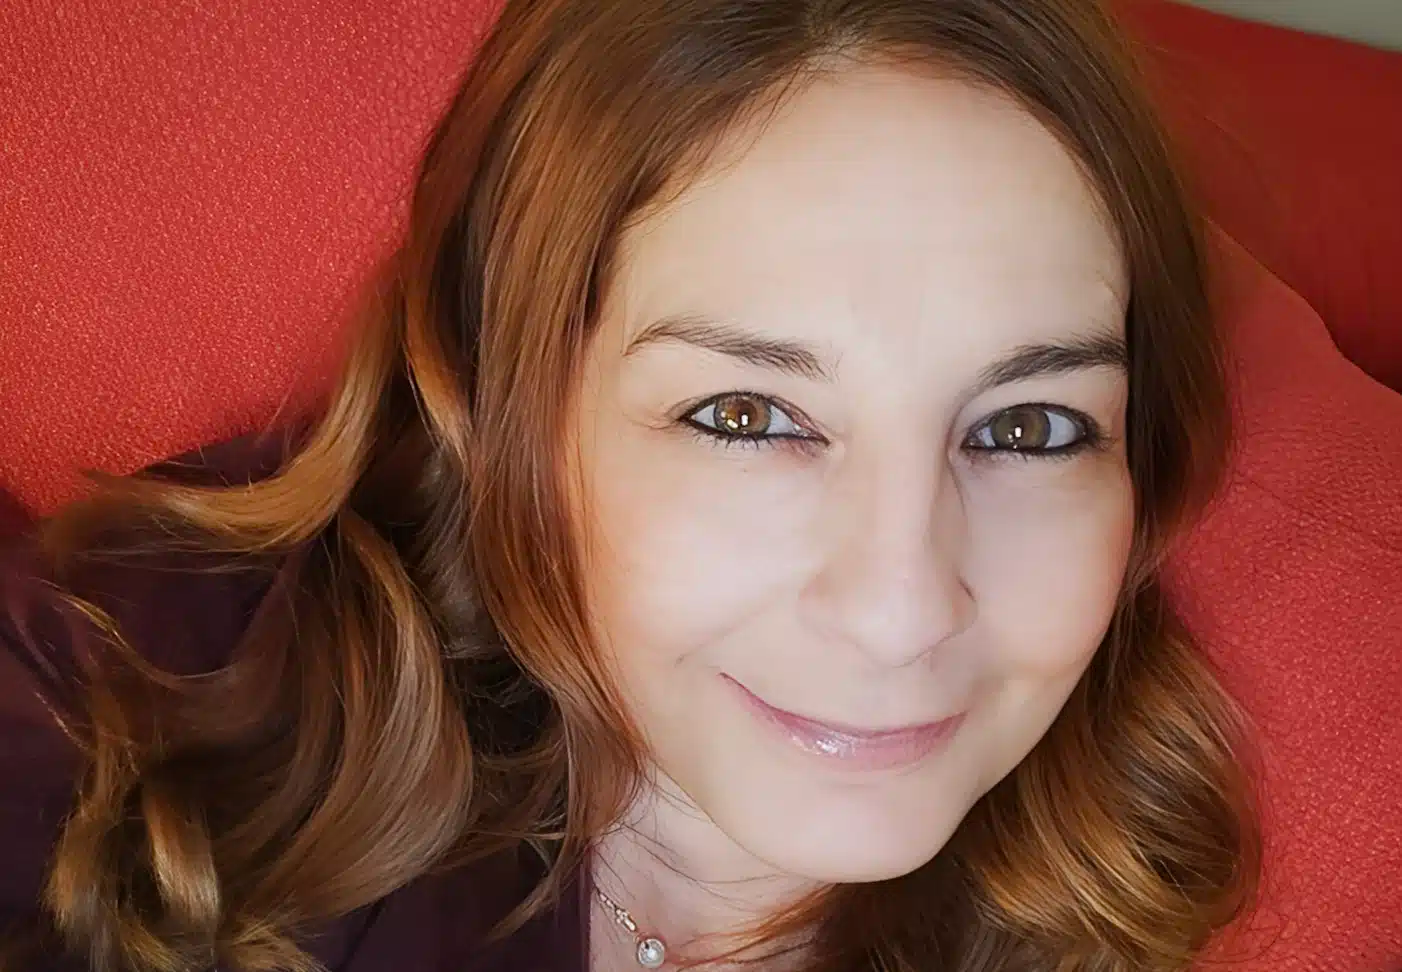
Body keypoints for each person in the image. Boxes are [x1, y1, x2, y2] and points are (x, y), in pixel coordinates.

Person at [0, 0, 1262, 969]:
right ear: (510, 402)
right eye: (745, 416)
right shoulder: (149, 686)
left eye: (1030, 427)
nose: (901, 610)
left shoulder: (1168, 863)